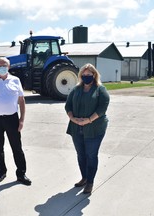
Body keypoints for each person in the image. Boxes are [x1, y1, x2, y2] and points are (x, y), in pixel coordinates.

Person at [0, 57, 31, 186]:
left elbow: (21, 100)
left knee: (17, 147)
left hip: (12, 118)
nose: (2, 67)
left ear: (9, 67)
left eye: (4, 65)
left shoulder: (15, 80)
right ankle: (1, 172)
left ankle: (21, 174)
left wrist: (21, 120)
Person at [65, 63, 110, 194]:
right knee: (81, 155)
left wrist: (88, 120)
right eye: (83, 75)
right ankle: (84, 177)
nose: (86, 77)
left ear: (94, 75)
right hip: (76, 127)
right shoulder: (76, 89)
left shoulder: (100, 90)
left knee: (91, 155)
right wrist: (73, 118)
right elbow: (68, 106)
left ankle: (90, 182)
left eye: (89, 75)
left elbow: (102, 108)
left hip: (95, 128)